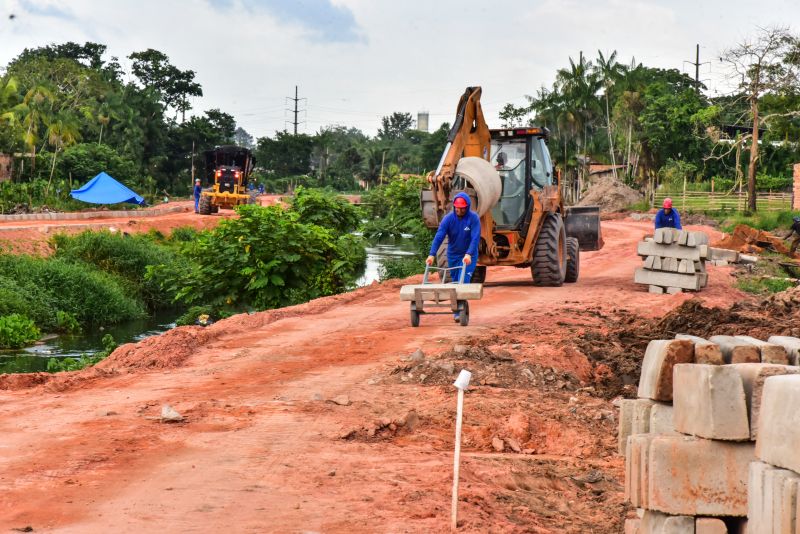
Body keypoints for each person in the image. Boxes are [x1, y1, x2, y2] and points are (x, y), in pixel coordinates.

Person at [426, 192, 481, 321]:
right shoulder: (448, 219)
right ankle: (458, 308)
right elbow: (439, 236)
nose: (459, 210)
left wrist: (468, 254)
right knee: (455, 281)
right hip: (453, 255)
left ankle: (458, 311)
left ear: (467, 207)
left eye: (462, 208)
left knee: (464, 282)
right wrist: (431, 254)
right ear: (454, 206)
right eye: (457, 208)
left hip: (469, 256)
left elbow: (475, 238)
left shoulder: (473, 218)